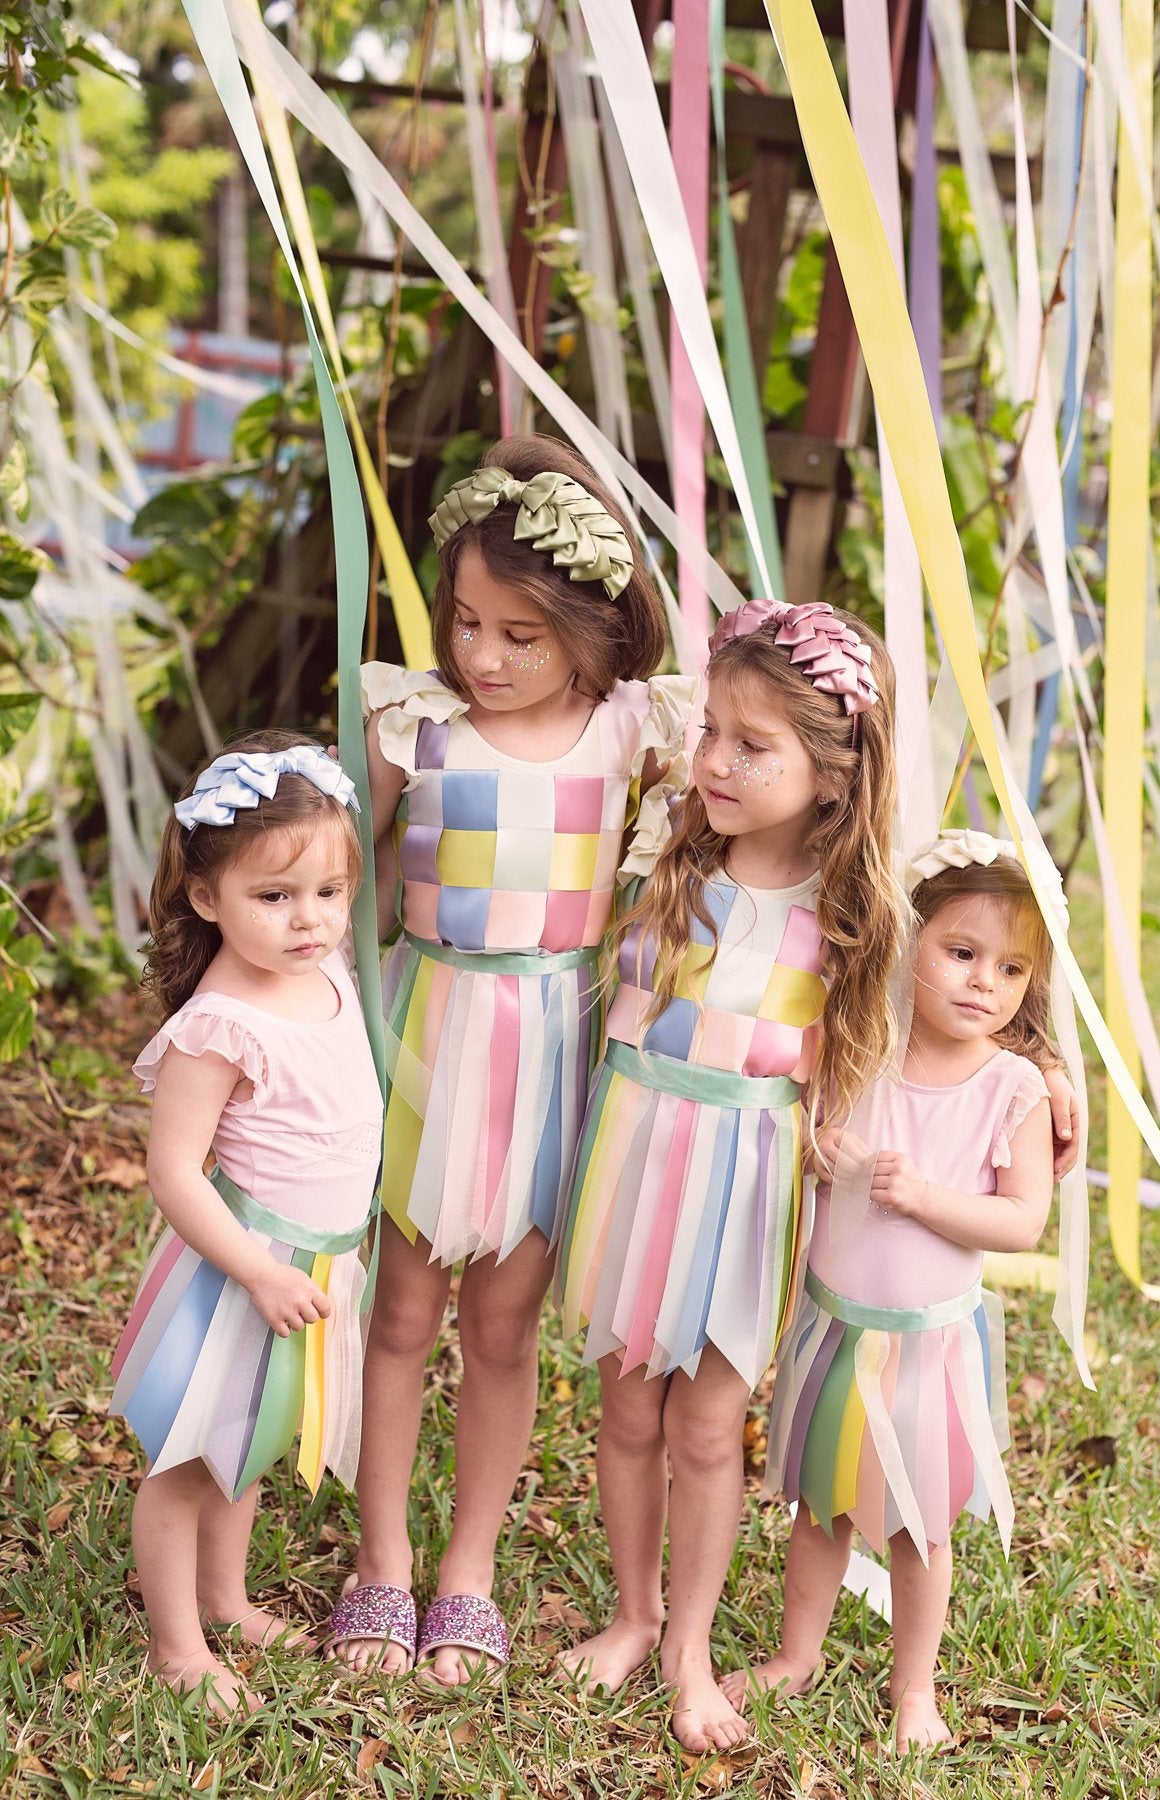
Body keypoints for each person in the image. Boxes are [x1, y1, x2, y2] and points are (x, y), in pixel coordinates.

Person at [326, 435, 695, 1682]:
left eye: (519, 636)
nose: (480, 657)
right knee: (400, 1312)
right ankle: (382, 1558)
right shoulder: (413, 725)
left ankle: (467, 1568)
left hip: (555, 1054)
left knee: (500, 1325)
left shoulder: (635, 733)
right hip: (428, 1038)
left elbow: (769, 849)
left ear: (593, 634)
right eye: (466, 622)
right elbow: (330, 879)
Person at [556, 597, 907, 1753]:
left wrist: (1046, 1072)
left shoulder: (848, 918)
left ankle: (690, 1649)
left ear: (833, 775)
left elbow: (967, 1006)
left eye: (753, 745)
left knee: (708, 1427)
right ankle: (632, 1614)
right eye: (711, 730)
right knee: (626, 1407)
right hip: (636, 1161)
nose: (713, 760)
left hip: (744, 1189)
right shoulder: (663, 856)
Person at [724, 833, 1060, 1752]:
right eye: (962, 952)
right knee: (823, 1505)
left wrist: (925, 1198)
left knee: (919, 1525)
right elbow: (810, 1130)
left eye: (1011, 969)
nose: (984, 982)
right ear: (909, 940)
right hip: (838, 1329)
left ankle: (916, 1689)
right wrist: (823, 1148)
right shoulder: (864, 1042)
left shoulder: (1013, 1087)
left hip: (929, 1347)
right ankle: (796, 1655)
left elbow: (1023, 1221)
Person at [110, 732, 382, 1712]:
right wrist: (259, 1272)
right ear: (206, 896)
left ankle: (224, 1599)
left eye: (329, 890)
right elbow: (173, 1172)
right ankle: (176, 1646)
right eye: (273, 896)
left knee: (252, 1437)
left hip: (313, 1265)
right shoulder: (222, 1023)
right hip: (242, 1268)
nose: (309, 918)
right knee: (189, 1458)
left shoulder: (326, 968)